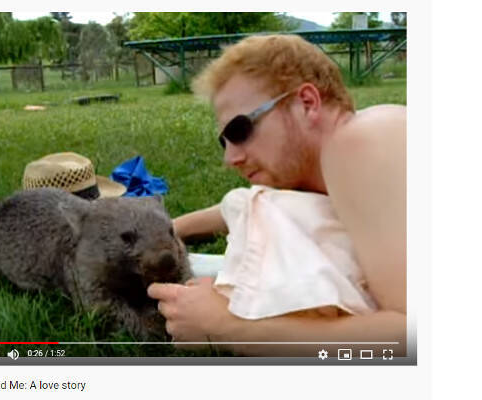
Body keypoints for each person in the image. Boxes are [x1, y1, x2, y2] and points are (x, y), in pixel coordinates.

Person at [147, 34, 406, 357]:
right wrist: (168, 230)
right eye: (224, 141)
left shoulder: (359, 140)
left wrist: (226, 326)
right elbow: (242, 203)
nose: (230, 158)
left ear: (307, 103)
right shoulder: (322, 174)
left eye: (239, 130)